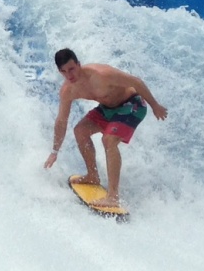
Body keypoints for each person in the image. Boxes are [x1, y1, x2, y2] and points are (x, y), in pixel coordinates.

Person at [41, 47, 168, 208]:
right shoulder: (68, 90)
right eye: (64, 71)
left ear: (79, 64)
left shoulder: (102, 75)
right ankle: (93, 176)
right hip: (108, 109)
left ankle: (113, 197)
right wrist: (54, 152)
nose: (69, 75)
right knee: (80, 131)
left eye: (72, 69)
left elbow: (136, 82)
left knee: (109, 140)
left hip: (132, 104)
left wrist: (155, 106)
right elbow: (61, 121)